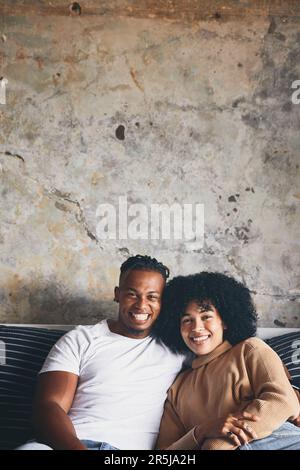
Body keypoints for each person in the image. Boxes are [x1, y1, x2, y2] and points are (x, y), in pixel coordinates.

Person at [17, 255, 188, 450]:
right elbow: (48, 406)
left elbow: (224, 354)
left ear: (162, 302)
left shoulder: (176, 348)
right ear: (117, 294)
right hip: (67, 444)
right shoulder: (81, 339)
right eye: (132, 294)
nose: (141, 305)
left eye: (152, 297)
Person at [155, 272, 300, 450]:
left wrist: (215, 445)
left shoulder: (250, 350)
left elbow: (284, 402)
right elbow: (164, 453)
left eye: (206, 316)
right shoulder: (177, 389)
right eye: (187, 320)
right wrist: (200, 432)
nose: (196, 328)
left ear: (224, 321)